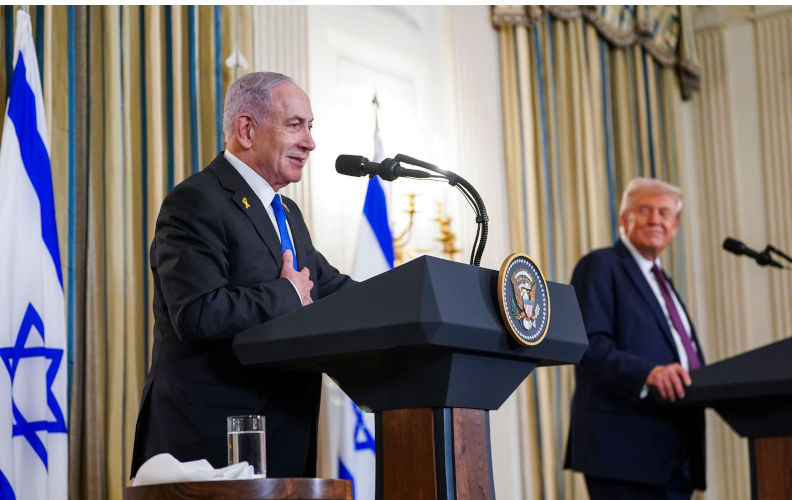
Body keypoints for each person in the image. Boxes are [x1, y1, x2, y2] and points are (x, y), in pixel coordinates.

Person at [130, 72, 353, 478]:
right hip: (209, 445)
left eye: (310, 126)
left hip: (284, 440)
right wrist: (286, 294)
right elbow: (197, 313)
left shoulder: (287, 213)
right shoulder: (196, 200)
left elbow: (331, 289)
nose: (310, 142)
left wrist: (416, 296)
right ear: (246, 130)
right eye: (295, 125)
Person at [565, 178, 706, 500]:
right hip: (624, 453)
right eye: (644, 210)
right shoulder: (600, 265)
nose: (655, 219)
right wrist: (649, 373)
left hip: (676, 453)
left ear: (674, 227)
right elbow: (588, 345)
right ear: (623, 219)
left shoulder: (663, 282)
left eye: (664, 213)